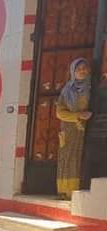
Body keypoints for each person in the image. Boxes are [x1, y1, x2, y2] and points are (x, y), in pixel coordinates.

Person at [56, 58, 92, 200]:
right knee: (68, 158)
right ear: (73, 72)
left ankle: (80, 189)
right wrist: (78, 115)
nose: (82, 71)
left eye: (84, 68)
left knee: (81, 157)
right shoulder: (67, 90)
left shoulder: (92, 88)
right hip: (69, 128)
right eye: (78, 69)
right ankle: (66, 191)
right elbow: (59, 113)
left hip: (87, 129)